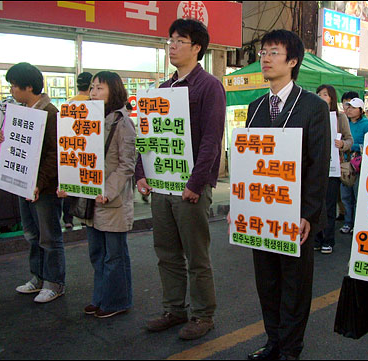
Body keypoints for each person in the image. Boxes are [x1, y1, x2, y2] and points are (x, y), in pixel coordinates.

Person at [135, 18, 226, 340]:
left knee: (196, 256)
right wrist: (142, 173)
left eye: (179, 41)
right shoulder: (162, 89)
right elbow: (148, 135)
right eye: (170, 40)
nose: (172, 46)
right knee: (166, 253)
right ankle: (174, 309)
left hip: (190, 188)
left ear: (197, 48)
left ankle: (203, 315)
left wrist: (196, 184)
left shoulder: (209, 86)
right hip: (161, 187)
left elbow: (212, 140)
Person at [245, 30, 329, 360]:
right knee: (267, 283)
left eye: (273, 52)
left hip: (295, 215)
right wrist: (241, 208)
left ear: (292, 61)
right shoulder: (254, 108)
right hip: (261, 213)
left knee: (294, 286)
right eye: (263, 52)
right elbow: (251, 162)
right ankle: (273, 342)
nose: (265, 58)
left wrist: (308, 214)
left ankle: (291, 350)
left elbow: (318, 164)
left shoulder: (312, 106)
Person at [59, 71, 136, 318]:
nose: (93, 93)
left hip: (111, 201)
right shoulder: (87, 120)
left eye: (100, 88)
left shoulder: (122, 122)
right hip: (91, 199)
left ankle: (116, 301)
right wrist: (69, 185)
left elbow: (127, 164)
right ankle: (101, 298)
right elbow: (77, 157)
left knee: (114, 255)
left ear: (114, 91)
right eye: (92, 88)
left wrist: (108, 191)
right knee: (97, 254)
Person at [0, 63, 65, 303]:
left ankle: (54, 282)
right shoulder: (20, 112)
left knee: (49, 235)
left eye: (14, 85)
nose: (12, 90)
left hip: (43, 188)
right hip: (23, 183)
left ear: (28, 87)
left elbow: (54, 154)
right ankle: (38, 277)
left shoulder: (50, 113)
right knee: (31, 233)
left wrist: (40, 182)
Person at [314, 84, 353, 254]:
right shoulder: (313, 115)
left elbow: (349, 139)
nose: (321, 97)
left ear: (332, 98)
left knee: (329, 205)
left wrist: (343, 144)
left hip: (333, 168)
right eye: (319, 94)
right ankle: (315, 238)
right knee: (314, 205)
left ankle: (328, 240)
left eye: (325, 94)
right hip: (314, 169)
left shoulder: (339, 117)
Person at [61, 71, 94, 229]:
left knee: (71, 186)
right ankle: (84, 216)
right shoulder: (93, 103)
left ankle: (67, 219)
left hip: (73, 148)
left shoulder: (68, 103)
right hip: (88, 148)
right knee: (86, 185)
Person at [339, 98, 368, 235]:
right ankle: (348, 222)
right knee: (345, 195)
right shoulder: (344, 122)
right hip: (345, 164)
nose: (349, 110)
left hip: (359, 164)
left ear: (360, 110)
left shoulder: (366, 124)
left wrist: (349, 145)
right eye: (348, 107)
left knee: (357, 195)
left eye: (353, 107)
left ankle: (358, 224)